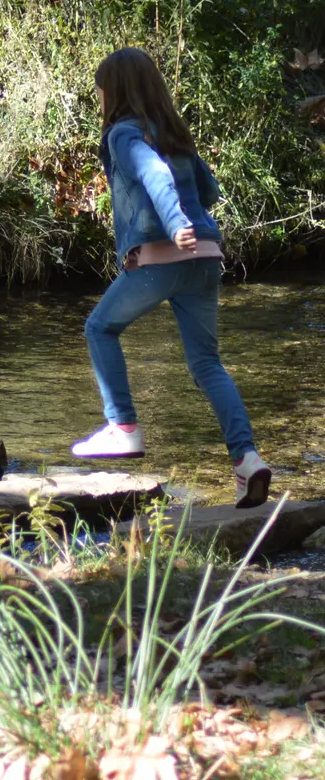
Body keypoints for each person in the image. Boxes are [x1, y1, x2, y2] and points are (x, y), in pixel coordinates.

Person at [70, 47, 271, 509]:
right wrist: (187, 217)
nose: (99, 100)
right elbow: (208, 191)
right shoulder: (176, 134)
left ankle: (122, 427)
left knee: (100, 328)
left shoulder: (123, 133)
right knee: (207, 364)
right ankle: (247, 460)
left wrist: (174, 221)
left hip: (163, 259)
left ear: (115, 91)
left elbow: (154, 173)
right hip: (206, 258)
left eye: (100, 92)